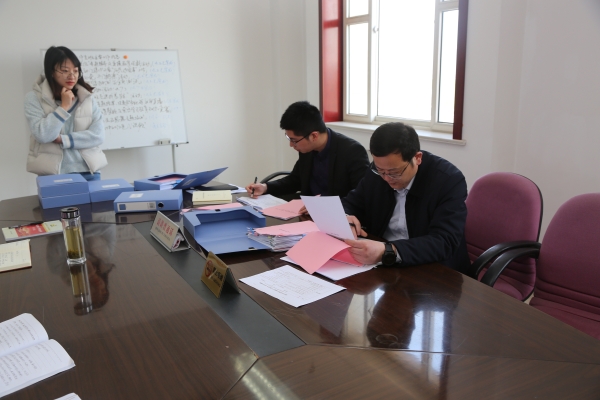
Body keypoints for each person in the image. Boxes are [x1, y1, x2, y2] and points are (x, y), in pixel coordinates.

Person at [342, 122, 470, 273]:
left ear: (417, 158)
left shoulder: (448, 181)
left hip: (433, 267)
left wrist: (388, 250)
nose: (387, 178)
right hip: (383, 264)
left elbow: (444, 241)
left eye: (394, 173)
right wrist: (346, 218)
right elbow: (350, 203)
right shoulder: (376, 173)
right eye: (380, 171)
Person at [245, 101, 369, 201]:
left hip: (337, 214)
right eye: (289, 138)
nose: (291, 145)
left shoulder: (352, 152)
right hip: (307, 210)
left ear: (314, 136)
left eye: (294, 140)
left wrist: (324, 207)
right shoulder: (307, 149)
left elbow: (361, 196)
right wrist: (265, 187)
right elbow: (295, 180)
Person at [24, 46, 107, 181]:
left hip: (89, 171)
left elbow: (98, 136)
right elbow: (43, 135)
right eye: (65, 71)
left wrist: (64, 140)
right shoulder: (34, 98)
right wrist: (63, 107)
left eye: (75, 71)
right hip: (52, 174)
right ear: (51, 71)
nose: (72, 76)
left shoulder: (86, 98)